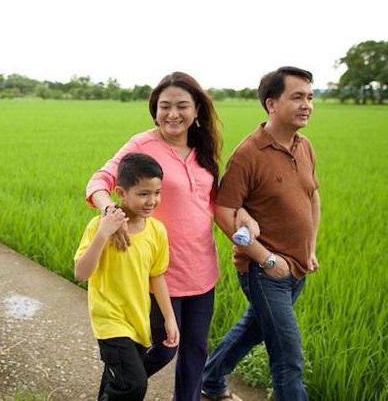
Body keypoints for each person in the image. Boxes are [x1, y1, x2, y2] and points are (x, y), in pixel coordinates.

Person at [86, 72, 257, 401]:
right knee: (163, 349)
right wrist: (112, 213)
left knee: (195, 352)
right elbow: (100, 180)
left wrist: (243, 215)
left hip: (202, 269)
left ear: (196, 111)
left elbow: (216, 204)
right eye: (165, 106)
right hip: (156, 272)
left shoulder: (204, 151)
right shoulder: (143, 145)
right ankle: (117, 386)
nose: (172, 114)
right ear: (155, 110)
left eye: (182, 106)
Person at [201, 66, 320, 401]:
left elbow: (312, 195)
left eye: (310, 97)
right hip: (264, 271)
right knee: (288, 354)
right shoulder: (248, 154)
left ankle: (209, 381)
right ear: (271, 103)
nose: (307, 104)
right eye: (297, 97)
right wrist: (265, 259)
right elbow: (224, 212)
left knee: (250, 331)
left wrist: (310, 247)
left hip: (297, 265)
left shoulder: (304, 145)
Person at [75, 153, 180, 400]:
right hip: (109, 321)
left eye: (157, 193)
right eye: (143, 194)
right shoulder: (97, 227)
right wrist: (103, 233)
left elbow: (157, 277)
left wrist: (169, 318)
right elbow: (81, 273)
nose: (152, 201)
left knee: (115, 382)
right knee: (133, 385)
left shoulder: (156, 231)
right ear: (121, 192)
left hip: (138, 320)